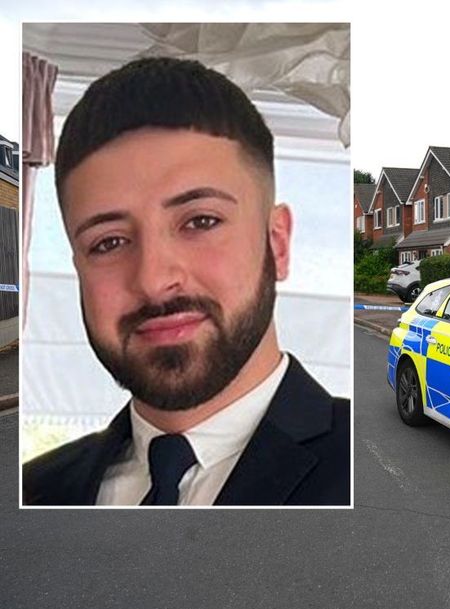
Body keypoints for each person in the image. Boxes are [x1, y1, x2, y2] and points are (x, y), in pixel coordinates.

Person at [22, 57, 350, 506]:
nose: (154, 281)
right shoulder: (33, 490)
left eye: (200, 221)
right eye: (109, 242)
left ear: (277, 244)